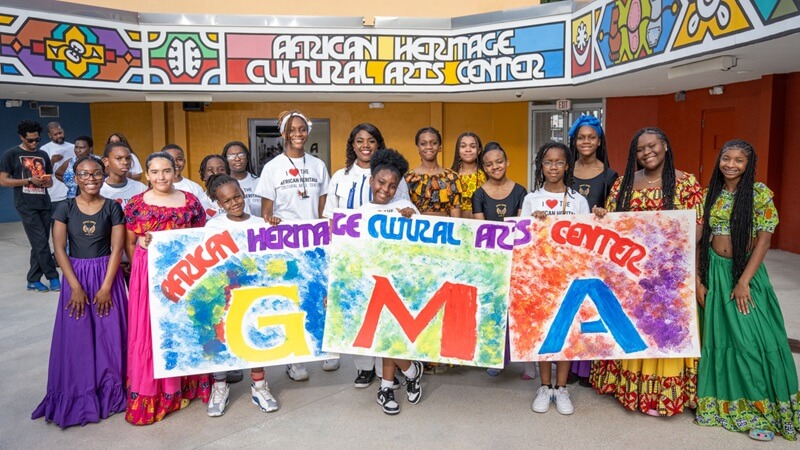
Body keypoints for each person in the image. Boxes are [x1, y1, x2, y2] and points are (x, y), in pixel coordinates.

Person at [591, 127, 702, 417]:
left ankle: (662, 396)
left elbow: (699, 227)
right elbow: (613, 224)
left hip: (669, 276)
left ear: (664, 145)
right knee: (636, 329)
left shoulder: (686, 183)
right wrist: (602, 216)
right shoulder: (625, 184)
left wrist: (666, 252)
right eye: (640, 149)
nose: (646, 153)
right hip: (631, 273)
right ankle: (632, 389)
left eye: (652, 146)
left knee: (663, 332)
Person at [694, 139, 799, 441]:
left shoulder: (759, 194)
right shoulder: (708, 194)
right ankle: (731, 405)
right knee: (722, 341)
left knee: (753, 340)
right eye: (726, 158)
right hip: (714, 272)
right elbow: (699, 239)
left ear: (748, 164)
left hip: (744, 274)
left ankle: (763, 412)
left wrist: (743, 282)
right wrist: (699, 279)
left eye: (739, 160)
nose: (731, 165)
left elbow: (764, 241)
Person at [31, 156, 127, 428]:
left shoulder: (112, 208)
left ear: (103, 175)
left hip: (107, 274)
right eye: (84, 174)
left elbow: (117, 249)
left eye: (96, 173)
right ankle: (79, 393)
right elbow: (59, 248)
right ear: (75, 177)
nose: (91, 179)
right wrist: (74, 285)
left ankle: (109, 392)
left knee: (110, 336)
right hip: (77, 276)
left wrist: (107, 286)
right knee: (78, 338)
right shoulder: (64, 208)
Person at [124, 152, 210, 425]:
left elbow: (200, 238)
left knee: (182, 327)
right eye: (155, 172)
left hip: (184, 275)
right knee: (152, 331)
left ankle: (184, 386)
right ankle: (155, 392)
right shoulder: (136, 204)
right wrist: (142, 245)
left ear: (175, 171)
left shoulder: (191, 201)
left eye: (166, 171)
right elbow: (130, 243)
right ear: (147, 175)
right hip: (148, 274)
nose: (161, 177)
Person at [322, 123, 409, 388]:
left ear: (378, 144)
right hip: (353, 252)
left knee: (385, 313)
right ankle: (363, 368)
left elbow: (403, 209)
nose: (365, 146)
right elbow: (330, 217)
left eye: (371, 140)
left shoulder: (394, 177)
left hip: (385, 254)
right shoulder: (340, 176)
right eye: (359, 141)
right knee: (360, 311)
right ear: (352, 145)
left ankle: (389, 368)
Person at [254, 110, 334, 380]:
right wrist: (272, 220)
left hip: (316, 241)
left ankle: (325, 348)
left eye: (302, 129)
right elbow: (266, 212)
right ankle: (295, 358)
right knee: (292, 296)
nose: (298, 134)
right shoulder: (272, 168)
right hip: (287, 242)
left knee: (319, 294)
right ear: (283, 134)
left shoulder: (318, 165)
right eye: (292, 130)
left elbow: (324, 206)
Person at [522, 142, 598, 416]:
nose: (553, 167)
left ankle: (561, 388)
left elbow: (589, 239)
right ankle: (545, 386)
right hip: (541, 276)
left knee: (566, 333)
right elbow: (523, 240)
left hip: (571, 275)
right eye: (547, 162)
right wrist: (535, 223)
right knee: (544, 333)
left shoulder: (579, 200)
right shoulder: (531, 199)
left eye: (559, 162)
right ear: (541, 167)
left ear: (567, 166)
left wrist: (598, 218)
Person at [202, 173, 279, 417]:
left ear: (244, 194)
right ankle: (220, 386)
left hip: (253, 292)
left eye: (237, 196)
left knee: (254, 336)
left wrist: (275, 226)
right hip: (224, 293)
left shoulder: (260, 222)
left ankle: (259, 386)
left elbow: (279, 251)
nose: (234, 203)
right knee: (222, 338)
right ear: (218, 203)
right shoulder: (214, 226)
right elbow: (208, 262)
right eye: (227, 201)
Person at [362, 148, 424, 415]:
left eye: (392, 185)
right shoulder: (361, 212)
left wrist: (412, 223)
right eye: (381, 182)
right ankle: (410, 370)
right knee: (381, 337)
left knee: (392, 335)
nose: (385, 189)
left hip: (400, 282)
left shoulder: (406, 209)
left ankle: (386, 387)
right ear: (370, 181)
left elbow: (424, 245)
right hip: (372, 283)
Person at [567, 115, 619, 387]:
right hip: (569, 249)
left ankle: (591, 369)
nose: (586, 141)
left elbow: (616, 213)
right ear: (574, 141)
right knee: (573, 306)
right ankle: (572, 366)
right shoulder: (564, 170)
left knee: (594, 307)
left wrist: (605, 214)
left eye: (591, 137)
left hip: (598, 249)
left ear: (599, 141)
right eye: (581, 137)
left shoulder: (611, 175)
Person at [471, 141, 530, 378]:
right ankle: (494, 358)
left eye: (499, 161)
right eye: (489, 164)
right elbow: (481, 230)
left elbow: (520, 229)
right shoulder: (479, 194)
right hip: (491, 261)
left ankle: (528, 363)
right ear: (484, 168)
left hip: (516, 259)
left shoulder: (521, 192)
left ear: (507, 162)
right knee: (492, 310)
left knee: (520, 311)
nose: (495, 167)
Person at [0, 120, 59, 292]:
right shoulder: (11, 154)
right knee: (41, 242)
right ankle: (53, 277)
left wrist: (47, 183)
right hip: (25, 204)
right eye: (30, 140)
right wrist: (28, 180)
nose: (34, 143)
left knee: (38, 243)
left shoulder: (43, 155)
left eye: (37, 140)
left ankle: (33, 280)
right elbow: (3, 180)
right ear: (22, 137)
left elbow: (50, 181)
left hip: (44, 202)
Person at [405, 127, 462, 218]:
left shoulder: (451, 177)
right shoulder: (409, 178)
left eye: (434, 143)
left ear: (440, 147)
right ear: (418, 148)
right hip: (417, 229)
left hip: (445, 229)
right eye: (423, 144)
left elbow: (455, 210)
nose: (429, 147)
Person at [40, 122, 75, 215]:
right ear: (49, 135)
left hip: (72, 193)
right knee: (57, 225)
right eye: (55, 134)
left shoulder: (73, 147)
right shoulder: (44, 149)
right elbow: (41, 173)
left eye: (60, 133)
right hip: (55, 195)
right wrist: (51, 161)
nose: (59, 136)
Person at [99, 142, 147, 208]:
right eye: (119, 159)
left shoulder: (140, 188)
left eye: (128, 158)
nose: (125, 162)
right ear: (105, 161)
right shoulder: (100, 190)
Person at [222, 141, 262, 217]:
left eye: (241, 155)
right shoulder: (222, 185)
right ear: (225, 160)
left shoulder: (260, 182)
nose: (237, 159)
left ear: (247, 158)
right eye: (231, 156)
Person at [451, 132, 486, 219]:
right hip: (458, 227)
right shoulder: (451, 175)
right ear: (458, 150)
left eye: (473, 146)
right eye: (463, 146)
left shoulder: (485, 174)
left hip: (481, 226)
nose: (468, 150)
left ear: (479, 151)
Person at [198, 154, 233, 218]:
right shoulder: (198, 201)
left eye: (221, 169)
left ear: (228, 173)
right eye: (210, 170)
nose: (216, 173)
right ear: (203, 175)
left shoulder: (236, 197)